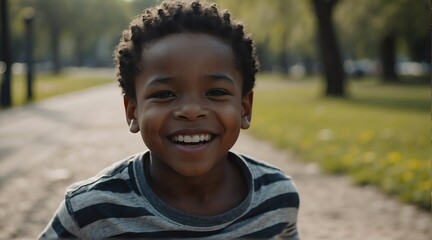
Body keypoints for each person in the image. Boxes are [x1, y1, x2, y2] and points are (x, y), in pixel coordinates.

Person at [38, 0, 300, 239]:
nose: (191, 110)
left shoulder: (278, 197)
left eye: (216, 92)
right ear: (133, 111)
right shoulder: (90, 212)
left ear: (245, 108)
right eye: (164, 94)